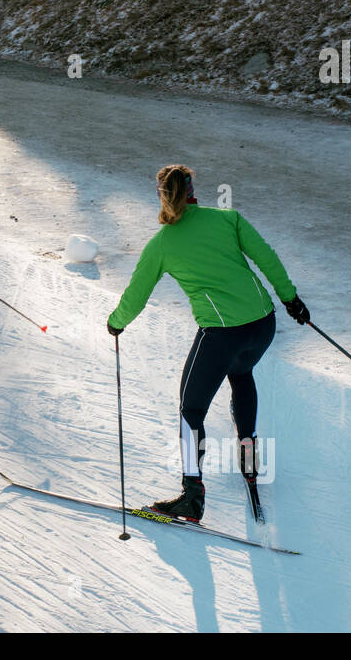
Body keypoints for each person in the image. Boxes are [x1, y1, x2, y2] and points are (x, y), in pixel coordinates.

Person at [106, 164, 309, 522]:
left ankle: (192, 495)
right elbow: (268, 258)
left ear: (162, 195)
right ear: (193, 189)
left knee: (190, 410)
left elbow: (136, 296)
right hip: (263, 325)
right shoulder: (228, 219)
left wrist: (116, 323)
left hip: (221, 334)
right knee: (242, 373)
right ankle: (249, 457)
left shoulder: (162, 245)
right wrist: (291, 299)